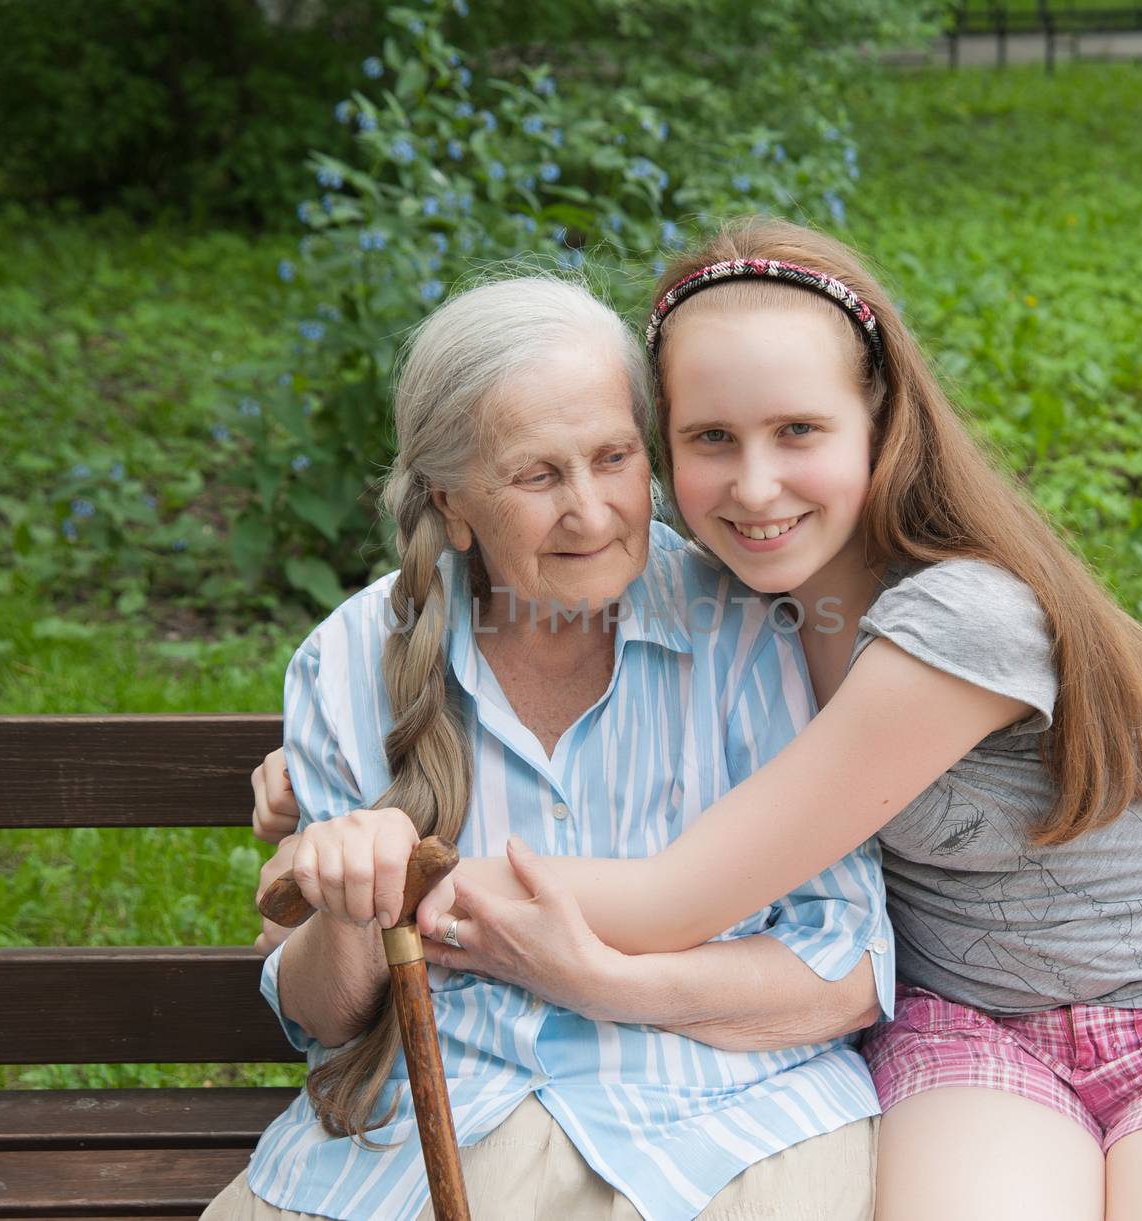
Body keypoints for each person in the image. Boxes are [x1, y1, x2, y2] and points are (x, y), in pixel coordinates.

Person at [253, 216, 1142, 1221]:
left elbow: (681, 889)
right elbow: (464, 653)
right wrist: (338, 790)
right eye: (710, 441)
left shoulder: (959, 621)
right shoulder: (761, 602)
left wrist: (375, 855)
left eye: (798, 431)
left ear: (879, 420)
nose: (756, 486)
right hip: (967, 1025)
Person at [209, 273, 891, 1221]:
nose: (593, 511)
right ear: (451, 504)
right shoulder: (351, 659)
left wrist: (602, 983)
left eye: (614, 458)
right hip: (434, 1132)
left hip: (726, 1123)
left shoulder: (746, 628)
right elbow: (327, 1018)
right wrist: (355, 901)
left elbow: (843, 968)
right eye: (536, 475)